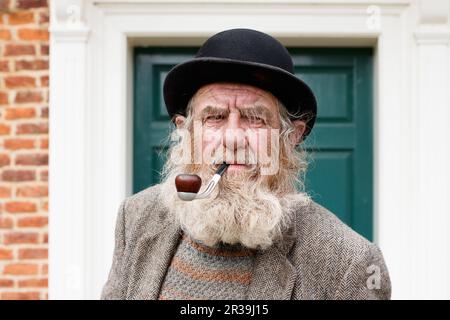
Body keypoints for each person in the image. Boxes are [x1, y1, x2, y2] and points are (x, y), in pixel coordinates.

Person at [101, 28, 391, 300]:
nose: (233, 138)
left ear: (291, 137)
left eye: (255, 118)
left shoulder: (350, 263)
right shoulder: (137, 217)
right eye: (214, 117)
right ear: (185, 131)